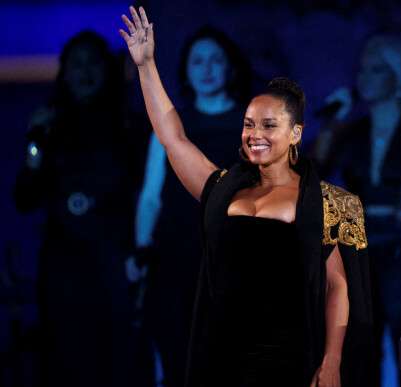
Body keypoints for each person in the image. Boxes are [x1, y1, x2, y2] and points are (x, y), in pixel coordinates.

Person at [120, 6, 374, 387]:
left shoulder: (326, 201)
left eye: (269, 125)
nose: (255, 133)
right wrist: (145, 66)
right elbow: (173, 138)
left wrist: (332, 359)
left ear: (295, 134)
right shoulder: (225, 189)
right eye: (249, 124)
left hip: (283, 347)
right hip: (219, 343)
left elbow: (338, 285)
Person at [13, 31, 150, 387]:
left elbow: (152, 194)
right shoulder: (49, 123)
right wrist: (33, 144)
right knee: (64, 356)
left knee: (117, 356)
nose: (85, 72)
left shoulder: (129, 124)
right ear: (65, 71)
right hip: (62, 261)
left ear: (106, 70)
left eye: (94, 63)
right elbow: (25, 198)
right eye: (77, 63)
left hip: (113, 257)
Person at [130, 25, 256, 387]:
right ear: (185, 69)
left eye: (216, 60)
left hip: (233, 255)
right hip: (177, 254)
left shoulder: (252, 122)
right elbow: (152, 195)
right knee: (179, 357)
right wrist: (142, 245)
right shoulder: (171, 124)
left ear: (231, 67)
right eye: (198, 61)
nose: (207, 68)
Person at [310, 33, 401, 384]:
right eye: (362, 69)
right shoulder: (353, 130)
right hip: (356, 244)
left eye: (376, 69)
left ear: (397, 76)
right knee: (360, 344)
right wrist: (332, 121)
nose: (364, 77)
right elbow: (314, 169)